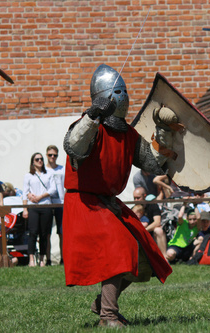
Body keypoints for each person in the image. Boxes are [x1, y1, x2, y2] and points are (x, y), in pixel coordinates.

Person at [62, 64, 172, 327]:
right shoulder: (88, 126)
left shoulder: (127, 134)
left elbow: (154, 163)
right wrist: (91, 115)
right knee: (120, 248)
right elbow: (73, 145)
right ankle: (108, 316)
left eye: (124, 91)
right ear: (101, 96)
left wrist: (163, 129)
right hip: (84, 202)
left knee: (145, 252)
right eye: (117, 91)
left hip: (108, 204)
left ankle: (103, 303)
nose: (122, 96)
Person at [22, 152, 57, 267]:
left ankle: (42, 259)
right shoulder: (28, 176)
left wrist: (40, 196)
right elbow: (25, 192)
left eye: (41, 159)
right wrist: (25, 208)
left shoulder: (49, 174)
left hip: (45, 205)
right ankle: (31, 259)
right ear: (33, 162)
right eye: (37, 159)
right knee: (32, 232)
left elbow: (53, 189)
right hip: (33, 207)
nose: (40, 161)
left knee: (44, 234)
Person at [133, 186, 167, 256]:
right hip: (138, 234)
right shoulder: (133, 209)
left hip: (151, 233)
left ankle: (164, 258)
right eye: (134, 198)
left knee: (159, 230)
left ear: (144, 196)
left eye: (138, 198)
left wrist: (144, 230)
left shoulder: (152, 206)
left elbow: (157, 222)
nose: (136, 200)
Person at [45, 145, 65, 265]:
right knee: (47, 233)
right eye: (50, 155)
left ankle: (63, 258)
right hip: (47, 203)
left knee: (61, 232)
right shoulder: (43, 170)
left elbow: (67, 185)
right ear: (46, 155)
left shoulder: (62, 169)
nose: (52, 157)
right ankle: (47, 259)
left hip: (61, 203)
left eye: (55, 155)